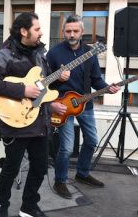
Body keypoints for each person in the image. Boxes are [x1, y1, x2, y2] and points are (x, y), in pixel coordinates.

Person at [0, 12, 69, 217]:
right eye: (37, 29)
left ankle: (28, 207)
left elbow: (43, 87)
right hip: (15, 122)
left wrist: (59, 81)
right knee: (11, 169)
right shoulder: (6, 54)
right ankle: (2, 206)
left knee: (40, 168)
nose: (41, 33)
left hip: (39, 122)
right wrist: (22, 90)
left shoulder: (40, 54)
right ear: (24, 31)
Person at [46, 14, 120, 200]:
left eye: (75, 31)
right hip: (63, 106)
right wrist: (57, 78)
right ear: (63, 31)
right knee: (67, 147)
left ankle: (82, 173)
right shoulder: (53, 54)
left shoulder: (90, 53)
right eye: (68, 31)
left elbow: (96, 79)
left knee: (92, 141)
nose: (71, 34)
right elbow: (43, 84)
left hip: (84, 104)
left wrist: (107, 88)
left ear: (82, 32)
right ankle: (60, 180)